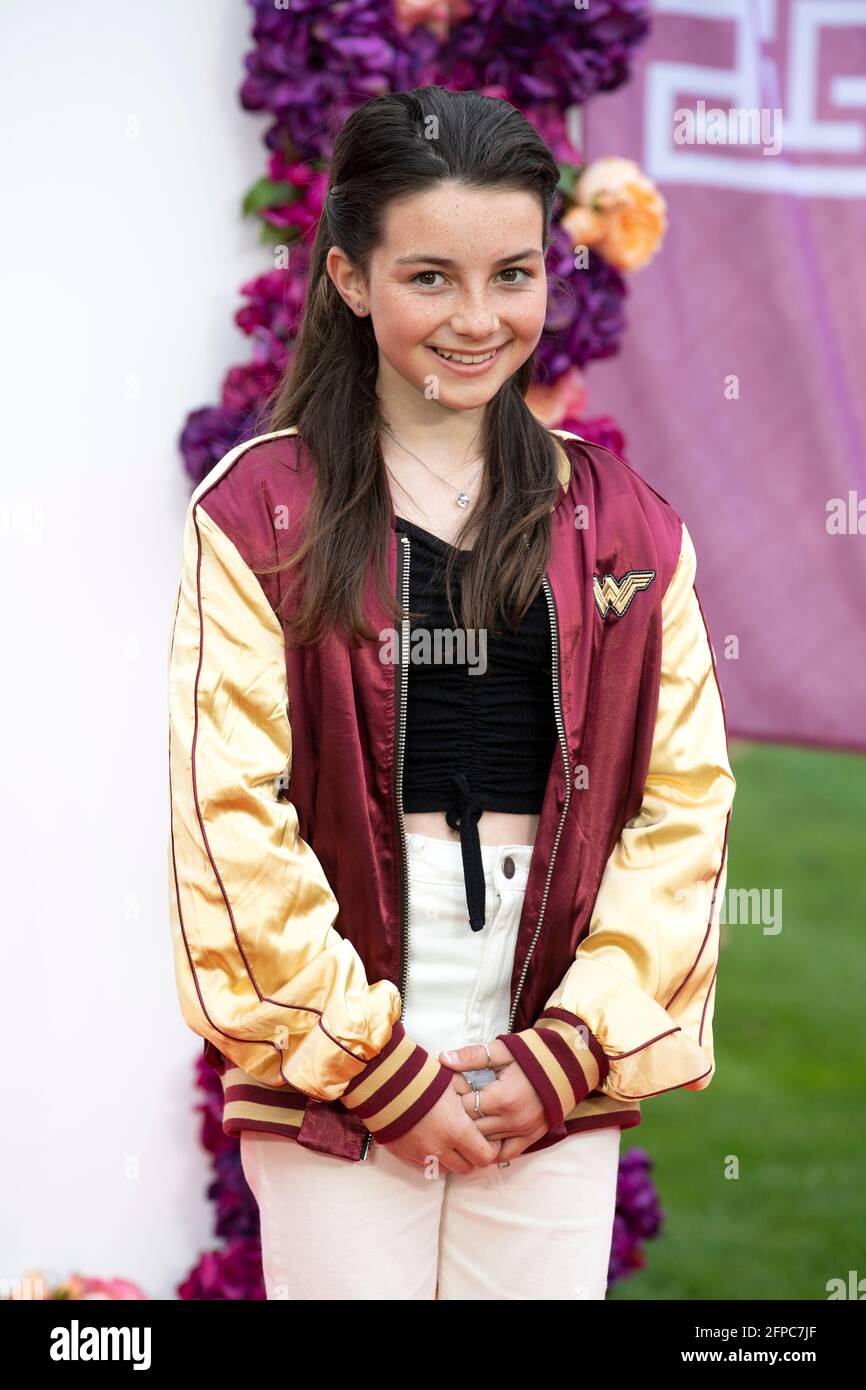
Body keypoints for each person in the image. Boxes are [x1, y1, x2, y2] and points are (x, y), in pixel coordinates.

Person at [167, 85, 736, 1300]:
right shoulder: (259, 510)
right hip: (338, 1032)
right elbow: (231, 821)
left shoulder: (626, 523)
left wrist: (569, 1053)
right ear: (348, 279)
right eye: (428, 277)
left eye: (512, 274)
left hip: (548, 1032)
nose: (477, 319)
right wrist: (377, 1069)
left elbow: (682, 809)